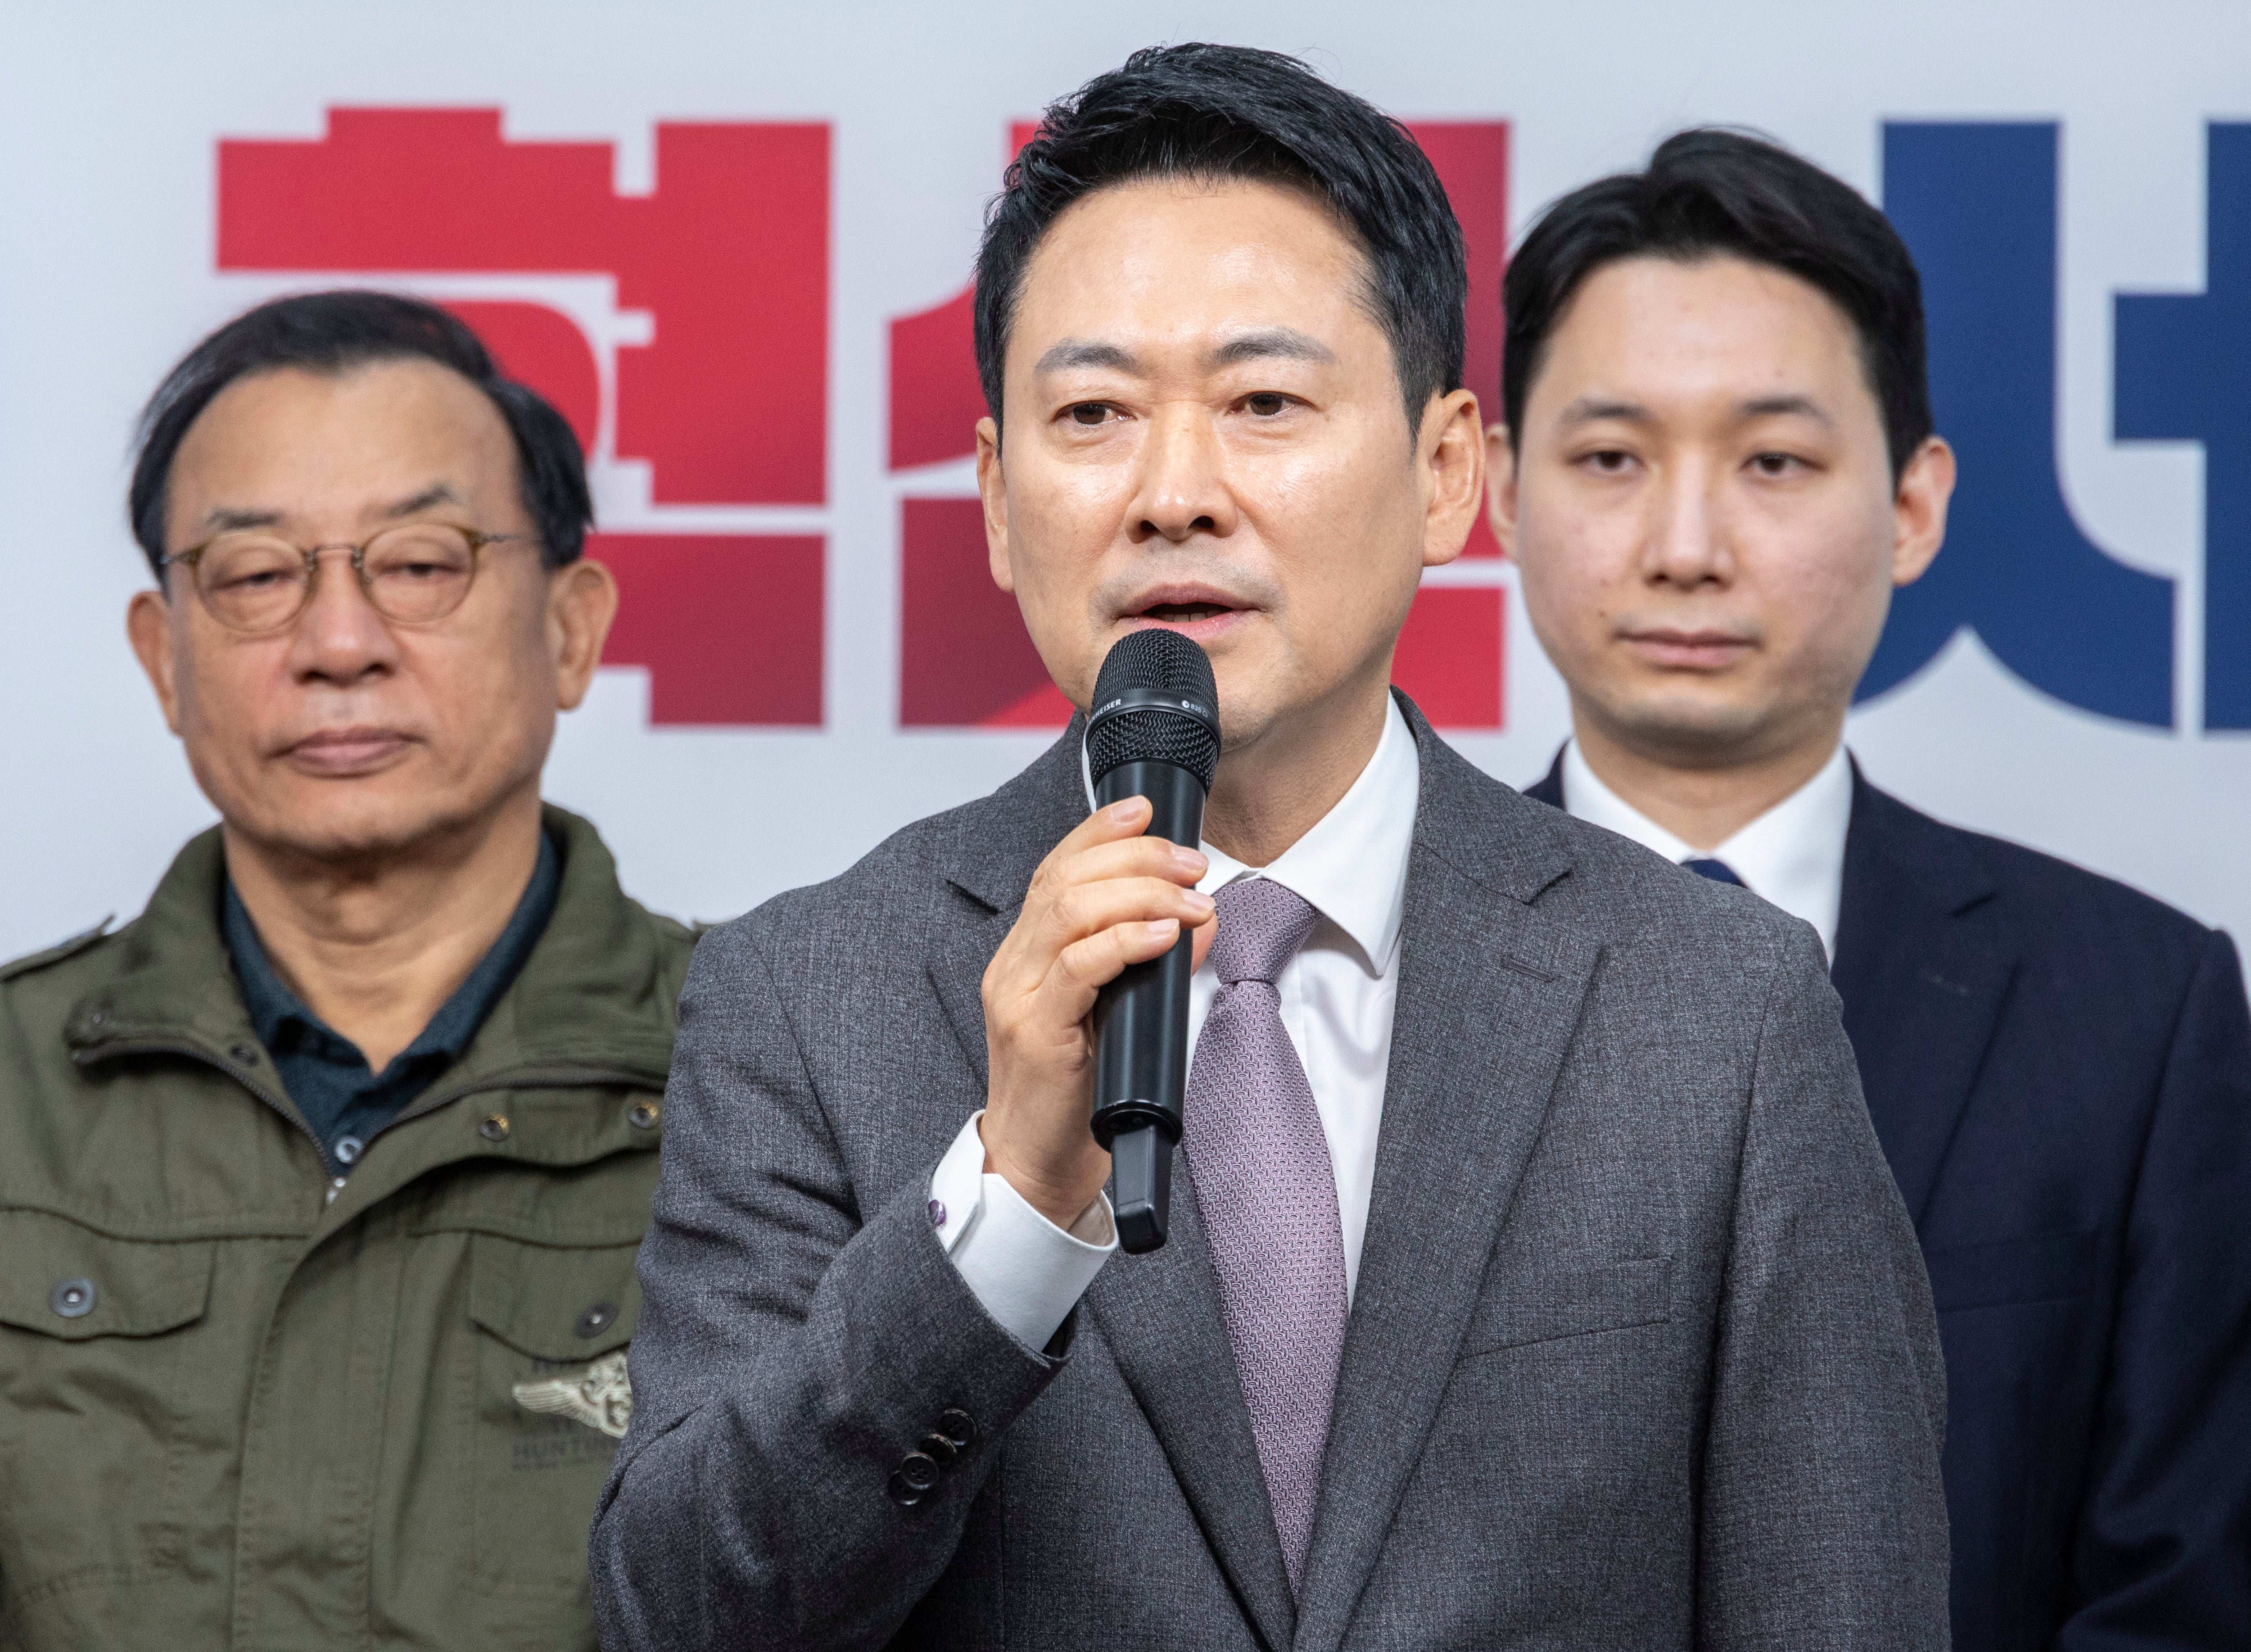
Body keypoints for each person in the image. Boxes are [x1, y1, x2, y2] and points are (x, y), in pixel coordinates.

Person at [591, 46, 1948, 1651]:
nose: (1175, 494)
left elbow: (1837, 1602)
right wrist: (1009, 1209)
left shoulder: (1713, 1006)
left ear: (1447, 473)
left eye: (1264, 404)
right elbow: (681, 1617)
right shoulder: (808, 994)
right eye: (1093, 415)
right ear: (999, 500)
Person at [1493, 130, 2251, 1649]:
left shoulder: (2138, 1013)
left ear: (1914, 505)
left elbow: (2183, 1593)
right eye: (1612, 459)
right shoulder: (1352, 961)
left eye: (1773, 462)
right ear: (1499, 490)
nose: (1688, 548)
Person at [0, 291, 696, 1651]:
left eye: (421, 564)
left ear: (571, 628)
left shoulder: (766, 1076)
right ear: (162, 656)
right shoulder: (14, 1093)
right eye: (256, 575)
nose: (337, 645)